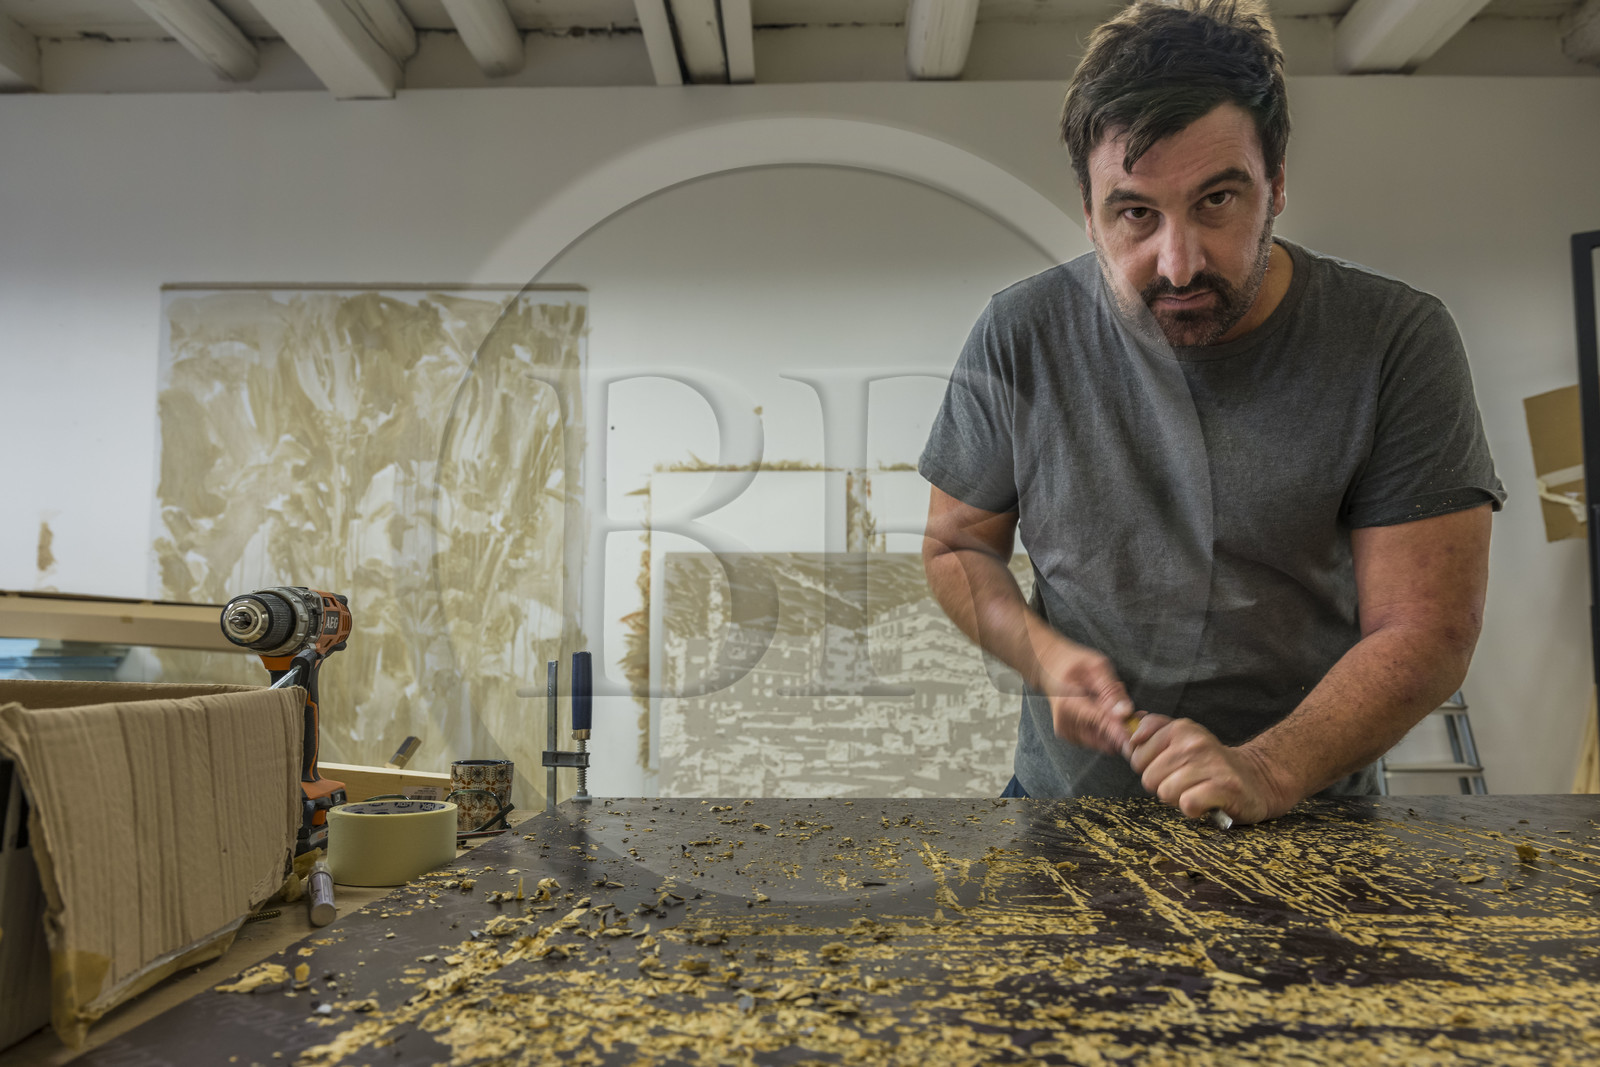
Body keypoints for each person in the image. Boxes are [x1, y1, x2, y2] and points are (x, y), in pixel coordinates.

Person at [918, 0, 1504, 826]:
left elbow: (1428, 626)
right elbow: (954, 545)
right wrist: (1041, 654)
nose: (1179, 260)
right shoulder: (1021, 335)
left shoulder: (1395, 340)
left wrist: (1265, 768)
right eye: (1135, 215)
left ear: (1279, 184)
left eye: (1218, 200)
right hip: (1068, 816)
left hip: (1310, 818)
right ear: (1087, 211)